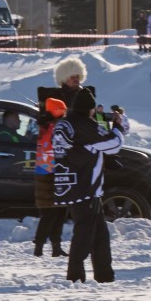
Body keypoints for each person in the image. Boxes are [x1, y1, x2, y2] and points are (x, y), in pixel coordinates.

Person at [52, 88, 123, 283]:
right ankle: (74, 277)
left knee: (100, 235)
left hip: (71, 184)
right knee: (83, 234)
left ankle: (104, 275)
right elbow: (114, 144)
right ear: (90, 109)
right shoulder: (84, 125)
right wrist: (117, 126)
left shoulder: (65, 123)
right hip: (86, 188)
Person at [32, 95, 69, 257]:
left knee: (54, 213)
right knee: (53, 214)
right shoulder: (54, 127)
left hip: (45, 172)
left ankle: (52, 247)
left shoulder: (44, 126)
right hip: (53, 173)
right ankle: (42, 247)